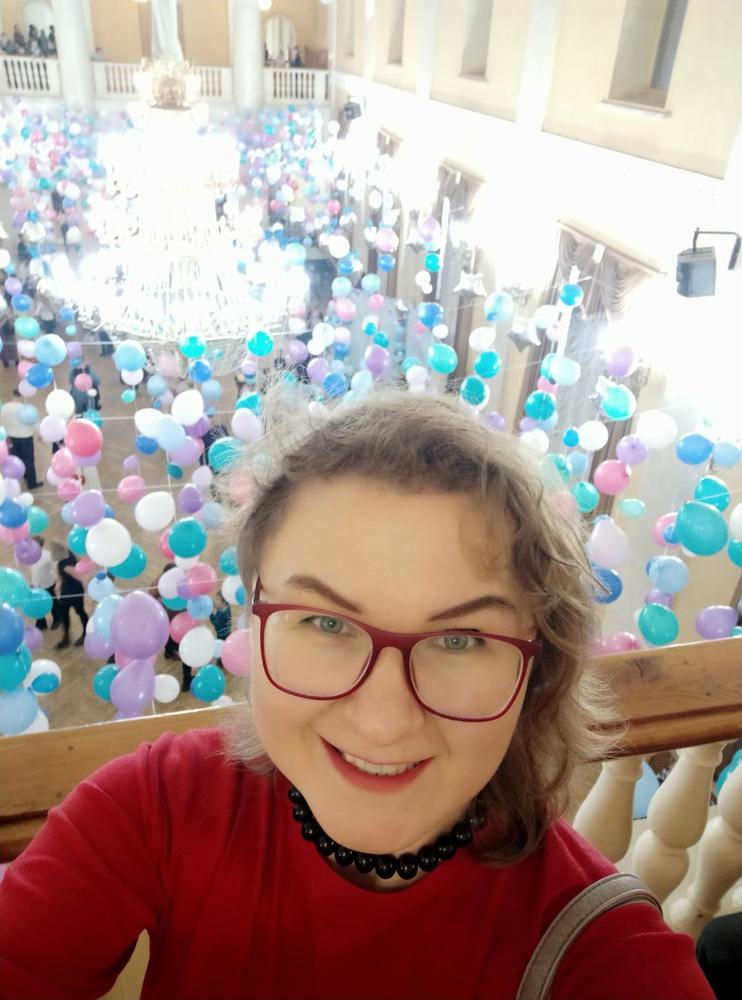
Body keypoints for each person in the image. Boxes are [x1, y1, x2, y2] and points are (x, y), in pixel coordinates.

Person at [0, 390, 715, 1000]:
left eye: (460, 639)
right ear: (255, 619)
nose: (382, 720)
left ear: (538, 670)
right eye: (326, 623)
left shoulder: (601, 951)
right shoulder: (159, 805)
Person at [0, 388, 40, 489]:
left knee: (15, 460)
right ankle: (31, 482)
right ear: (23, 396)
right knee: (29, 460)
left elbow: (2, 424)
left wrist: (5, 437)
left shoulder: (4, 408)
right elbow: (34, 423)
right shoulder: (26, 408)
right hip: (26, 438)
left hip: (11, 438)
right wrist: (41, 435)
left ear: (13, 395)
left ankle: (14, 483)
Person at [54, 548, 89, 650]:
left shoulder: (66, 564)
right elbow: (60, 576)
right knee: (64, 613)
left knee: (80, 611)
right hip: (65, 591)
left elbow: (80, 577)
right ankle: (66, 637)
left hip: (75, 592)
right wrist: (57, 586)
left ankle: (85, 634)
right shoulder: (62, 559)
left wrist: (86, 590)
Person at [29, 536, 60, 631]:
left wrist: (57, 582)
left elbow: (55, 568)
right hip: (36, 585)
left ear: (39, 545)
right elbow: (34, 570)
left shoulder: (48, 555)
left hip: (48, 584)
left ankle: (57, 619)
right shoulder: (31, 555)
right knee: (37, 604)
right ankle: (41, 623)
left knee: (53, 603)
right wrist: (32, 583)